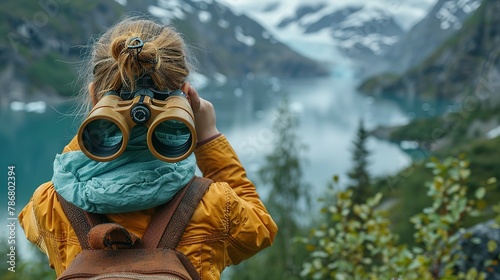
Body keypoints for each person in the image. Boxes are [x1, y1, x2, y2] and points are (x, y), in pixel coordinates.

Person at [19, 17, 277, 279]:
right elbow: (261, 229)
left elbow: (32, 215)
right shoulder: (213, 205)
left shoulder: (50, 204)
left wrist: (97, 131)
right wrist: (207, 137)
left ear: (95, 94)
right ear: (186, 95)